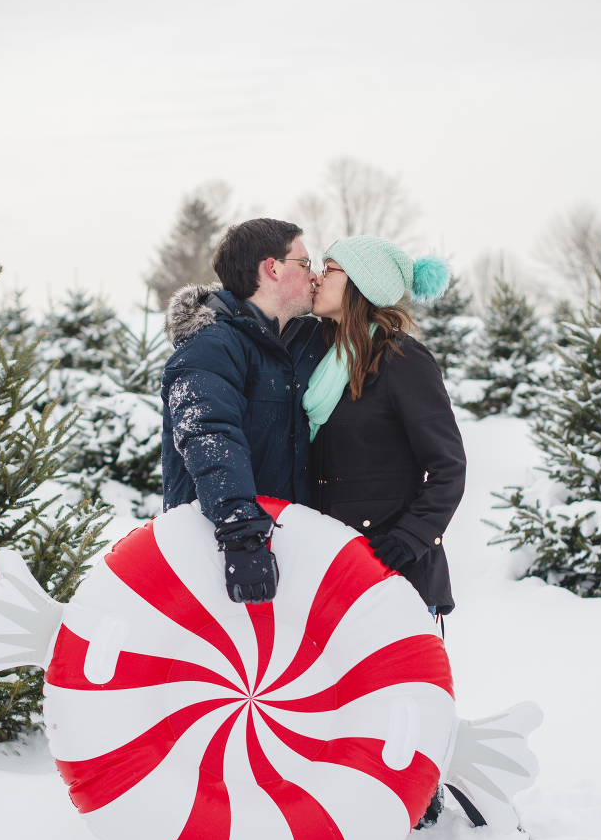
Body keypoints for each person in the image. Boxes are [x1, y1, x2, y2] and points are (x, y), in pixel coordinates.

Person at [161, 218, 325, 605]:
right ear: (273, 268)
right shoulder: (211, 347)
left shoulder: (304, 342)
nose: (314, 275)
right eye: (304, 263)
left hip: (290, 547)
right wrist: (242, 535)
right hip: (223, 554)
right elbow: (208, 435)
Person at [305, 236, 466, 621]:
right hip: (333, 570)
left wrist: (410, 538)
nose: (316, 278)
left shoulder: (403, 360)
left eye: (329, 270)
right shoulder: (320, 357)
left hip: (394, 573)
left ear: (361, 283)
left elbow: (448, 466)